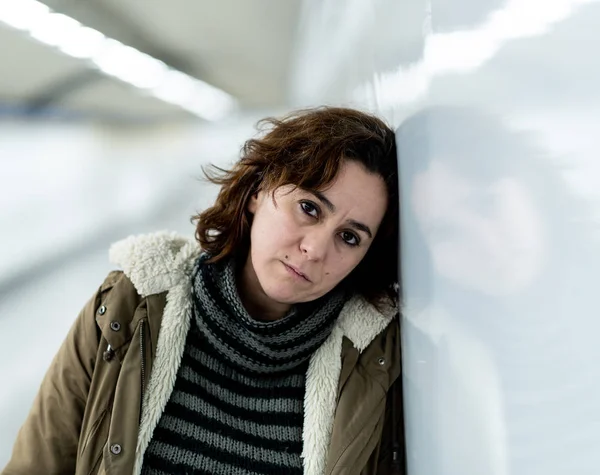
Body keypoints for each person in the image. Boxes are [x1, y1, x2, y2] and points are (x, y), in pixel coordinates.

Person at [2, 107, 404, 475]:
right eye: (310, 208)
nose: (315, 250)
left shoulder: (369, 366)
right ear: (258, 191)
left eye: (349, 238)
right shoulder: (131, 307)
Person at [396, 106, 600, 475]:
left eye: (486, 202)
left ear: (532, 186)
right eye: (445, 233)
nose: (488, 244)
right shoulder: (431, 358)